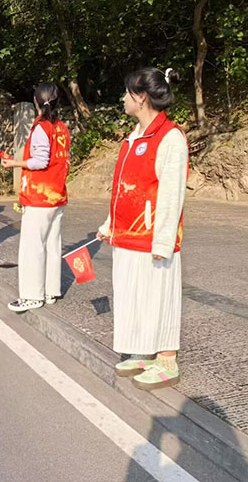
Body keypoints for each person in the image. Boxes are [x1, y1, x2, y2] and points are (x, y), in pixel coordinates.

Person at [96, 67, 187, 391]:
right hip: (127, 236)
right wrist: (110, 225)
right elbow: (123, 189)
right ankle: (144, 352)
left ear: (142, 97)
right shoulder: (134, 137)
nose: (123, 98)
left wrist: (163, 242)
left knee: (159, 296)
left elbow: (171, 195)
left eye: (127, 93)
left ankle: (167, 360)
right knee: (133, 296)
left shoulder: (170, 137)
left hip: (152, 238)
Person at [1, 83, 70, 312]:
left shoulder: (41, 127)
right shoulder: (61, 128)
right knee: (52, 244)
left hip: (39, 195)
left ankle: (32, 295)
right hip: (57, 194)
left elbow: (41, 161)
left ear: (35, 102)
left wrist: (15, 163)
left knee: (33, 246)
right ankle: (51, 290)